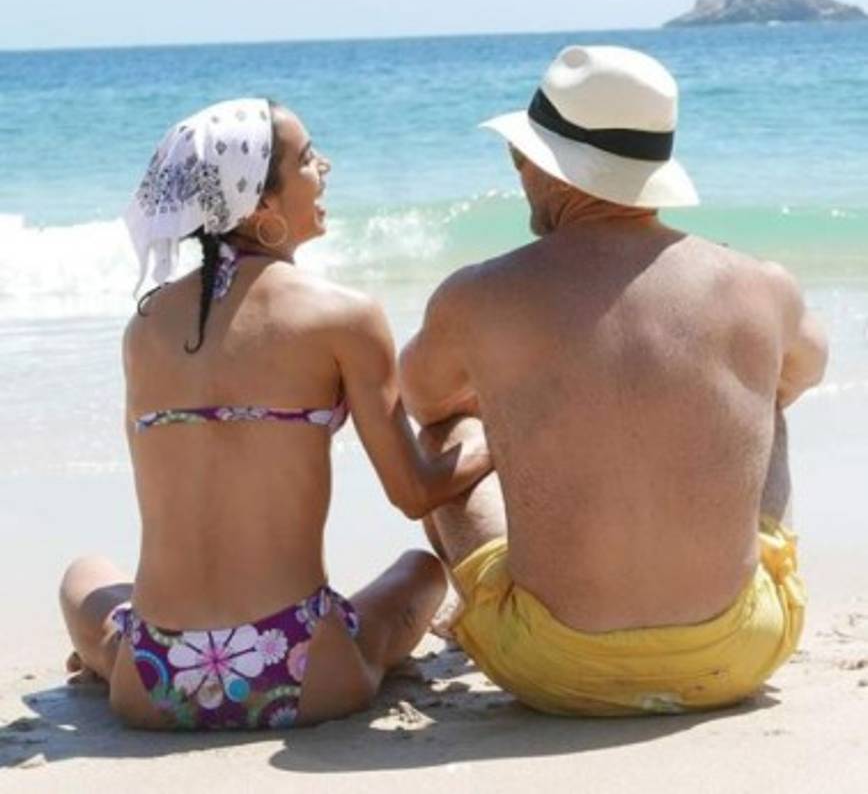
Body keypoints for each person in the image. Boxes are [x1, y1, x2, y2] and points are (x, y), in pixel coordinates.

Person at [399, 46, 828, 716]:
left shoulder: (479, 296)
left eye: (521, 156)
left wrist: (513, 414)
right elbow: (808, 370)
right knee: (766, 397)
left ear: (539, 164)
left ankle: (505, 598)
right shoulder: (762, 286)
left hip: (552, 666)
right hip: (741, 652)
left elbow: (422, 399)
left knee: (447, 429)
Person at [59, 98, 491, 731]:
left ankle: (114, 656)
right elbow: (414, 491)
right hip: (302, 670)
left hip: (152, 685)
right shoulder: (344, 315)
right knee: (420, 570)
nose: (327, 166)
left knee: (85, 574)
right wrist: (496, 440)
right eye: (309, 157)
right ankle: (353, 648)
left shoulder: (144, 327)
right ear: (260, 205)